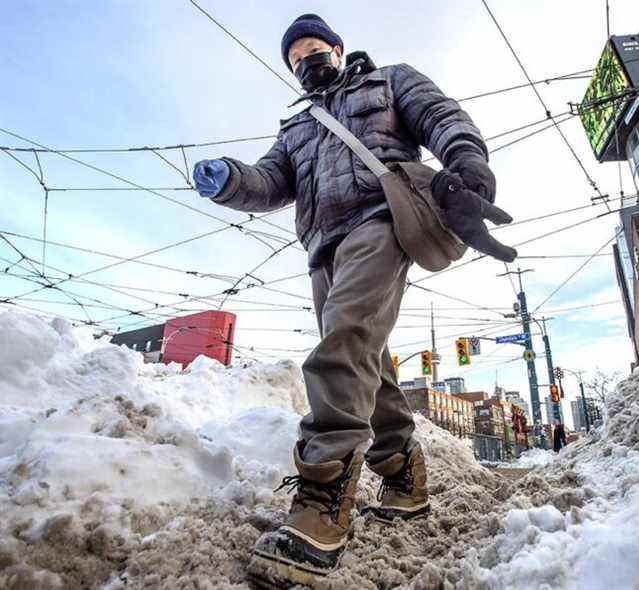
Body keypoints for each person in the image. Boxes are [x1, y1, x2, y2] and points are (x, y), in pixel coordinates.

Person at [192, 13, 513, 586]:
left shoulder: (387, 81)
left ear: (337, 49)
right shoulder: (297, 128)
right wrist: (231, 180)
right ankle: (403, 479)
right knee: (368, 356)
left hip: (383, 219)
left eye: (313, 50)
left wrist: (468, 171)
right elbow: (270, 181)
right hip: (323, 246)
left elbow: (444, 119)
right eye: (294, 61)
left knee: (344, 337)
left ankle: (323, 499)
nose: (305, 63)